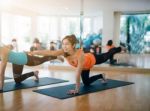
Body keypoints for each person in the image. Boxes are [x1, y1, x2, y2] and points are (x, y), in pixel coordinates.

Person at [30, 34, 122, 95]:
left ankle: (117, 49)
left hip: (92, 59)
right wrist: (34, 52)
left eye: (67, 44)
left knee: (107, 55)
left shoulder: (80, 54)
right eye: (63, 44)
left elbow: (78, 72)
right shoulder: (63, 51)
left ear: (73, 45)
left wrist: (76, 89)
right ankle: (101, 75)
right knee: (86, 83)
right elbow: (50, 52)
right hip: (84, 67)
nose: (64, 46)